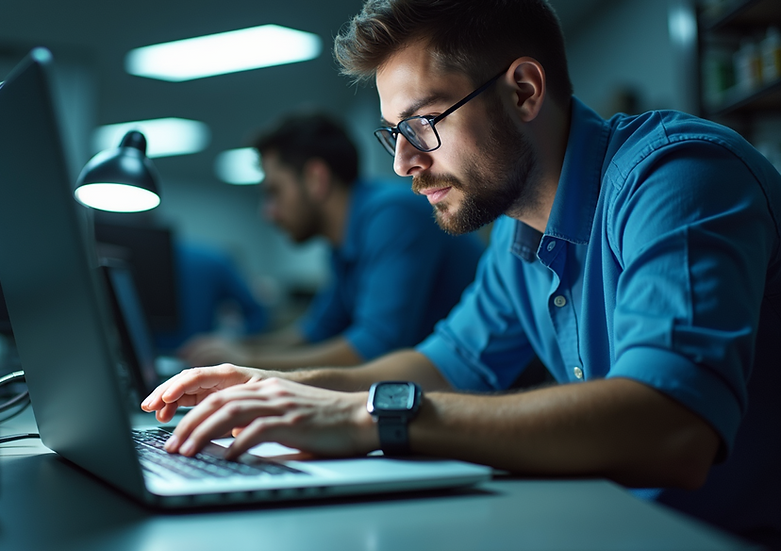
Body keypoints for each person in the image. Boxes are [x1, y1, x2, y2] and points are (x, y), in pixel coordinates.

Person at [142, 0, 781, 546]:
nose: (403, 163)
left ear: (523, 91)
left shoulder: (679, 176)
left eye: (423, 123)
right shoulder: (516, 232)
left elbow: (671, 426)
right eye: (393, 133)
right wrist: (274, 386)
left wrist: (369, 415)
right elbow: (440, 365)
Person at [179, 112, 485, 370]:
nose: (268, 213)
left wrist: (248, 362)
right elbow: (316, 332)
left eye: (274, 192)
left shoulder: (391, 215)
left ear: (316, 179)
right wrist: (234, 348)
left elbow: (374, 346)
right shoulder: (345, 242)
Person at [152, 239, 268, 353]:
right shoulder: (212, 258)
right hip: (195, 359)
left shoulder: (212, 260)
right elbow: (257, 314)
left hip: (199, 359)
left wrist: (228, 341)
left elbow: (256, 314)